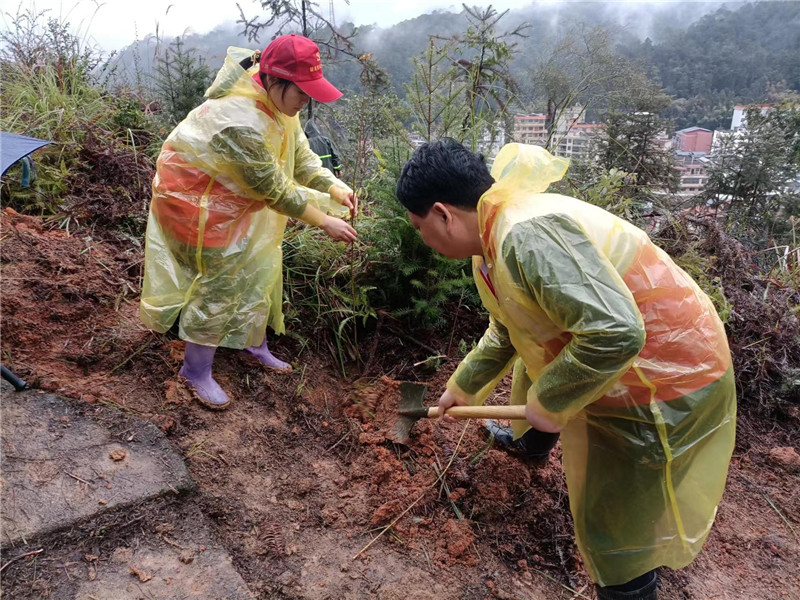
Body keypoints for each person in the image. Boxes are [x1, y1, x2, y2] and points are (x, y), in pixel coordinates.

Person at [395, 139, 736, 600]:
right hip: (630, 351)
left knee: (613, 526)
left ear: (442, 213)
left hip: (666, 374)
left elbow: (616, 334)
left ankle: (628, 585)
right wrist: (465, 386)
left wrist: (551, 401)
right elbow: (510, 328)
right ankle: (533, 446)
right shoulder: (491, 238)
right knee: (536, 364)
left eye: (420, 227)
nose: (423, 238)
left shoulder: (525, 235)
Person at [140, 35, 357, 410]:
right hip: (195, 205)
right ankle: (195, 370)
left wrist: (332, 185)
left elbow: (299, 157)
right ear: (274, 80)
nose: (306, 101)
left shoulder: (277, 104)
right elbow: (274, 190)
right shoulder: (239, 120)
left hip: (233, 201)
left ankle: (249, 341)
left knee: (258, 265)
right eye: (302, 92)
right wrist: (324, 221)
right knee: (222, 280)